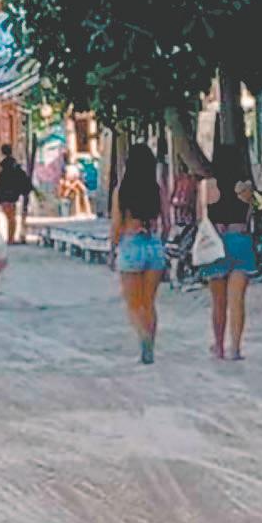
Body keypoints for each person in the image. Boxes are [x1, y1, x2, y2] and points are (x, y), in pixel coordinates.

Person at [197, 142, 258, 360]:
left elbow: (200, 219)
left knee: (218, 303)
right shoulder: (246, 188)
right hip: (240, 242)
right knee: (237, 301)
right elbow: (252, 214)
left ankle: (219, 346)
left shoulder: (207, 186)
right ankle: (236, 349)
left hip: (216, 245)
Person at [110, 144, 166, 365]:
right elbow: (167, 223)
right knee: (149, 302)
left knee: (133, 304)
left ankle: (143, 337)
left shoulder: (122, 191)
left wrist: (113, 247)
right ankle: (151, 341)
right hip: (153, 244)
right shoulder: (157, 189)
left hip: (131, 244)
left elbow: (116, 225)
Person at [0, 144, 33, 244]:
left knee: (9, 217)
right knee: (11, 217)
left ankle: (10, 238)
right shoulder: (14, 165)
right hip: (13, 195)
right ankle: (11, 238)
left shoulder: (2, 167)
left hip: (4, 195)